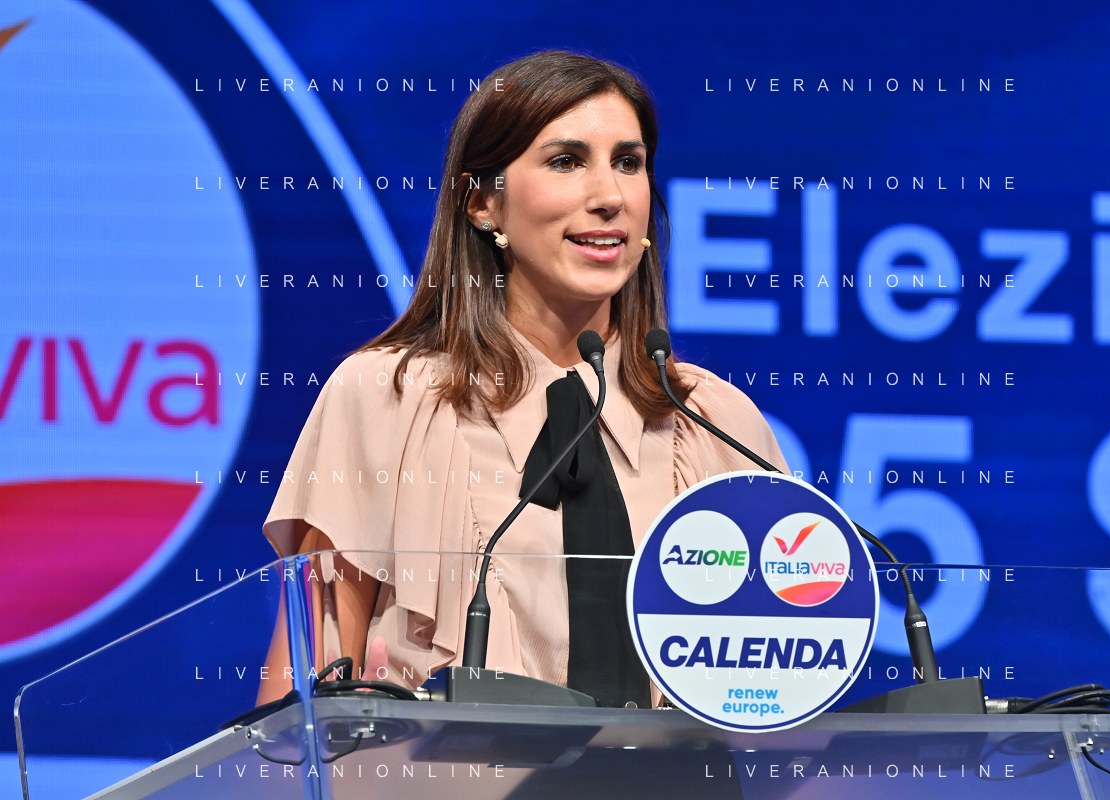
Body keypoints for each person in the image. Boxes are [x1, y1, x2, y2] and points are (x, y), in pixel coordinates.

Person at [258, 50, 786, 708]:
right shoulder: (384, 399)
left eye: (629, 162)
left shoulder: (716, 424)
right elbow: (296, 707)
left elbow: (778, 694)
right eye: (566, 161)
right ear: (483, 203)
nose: (610, 197)